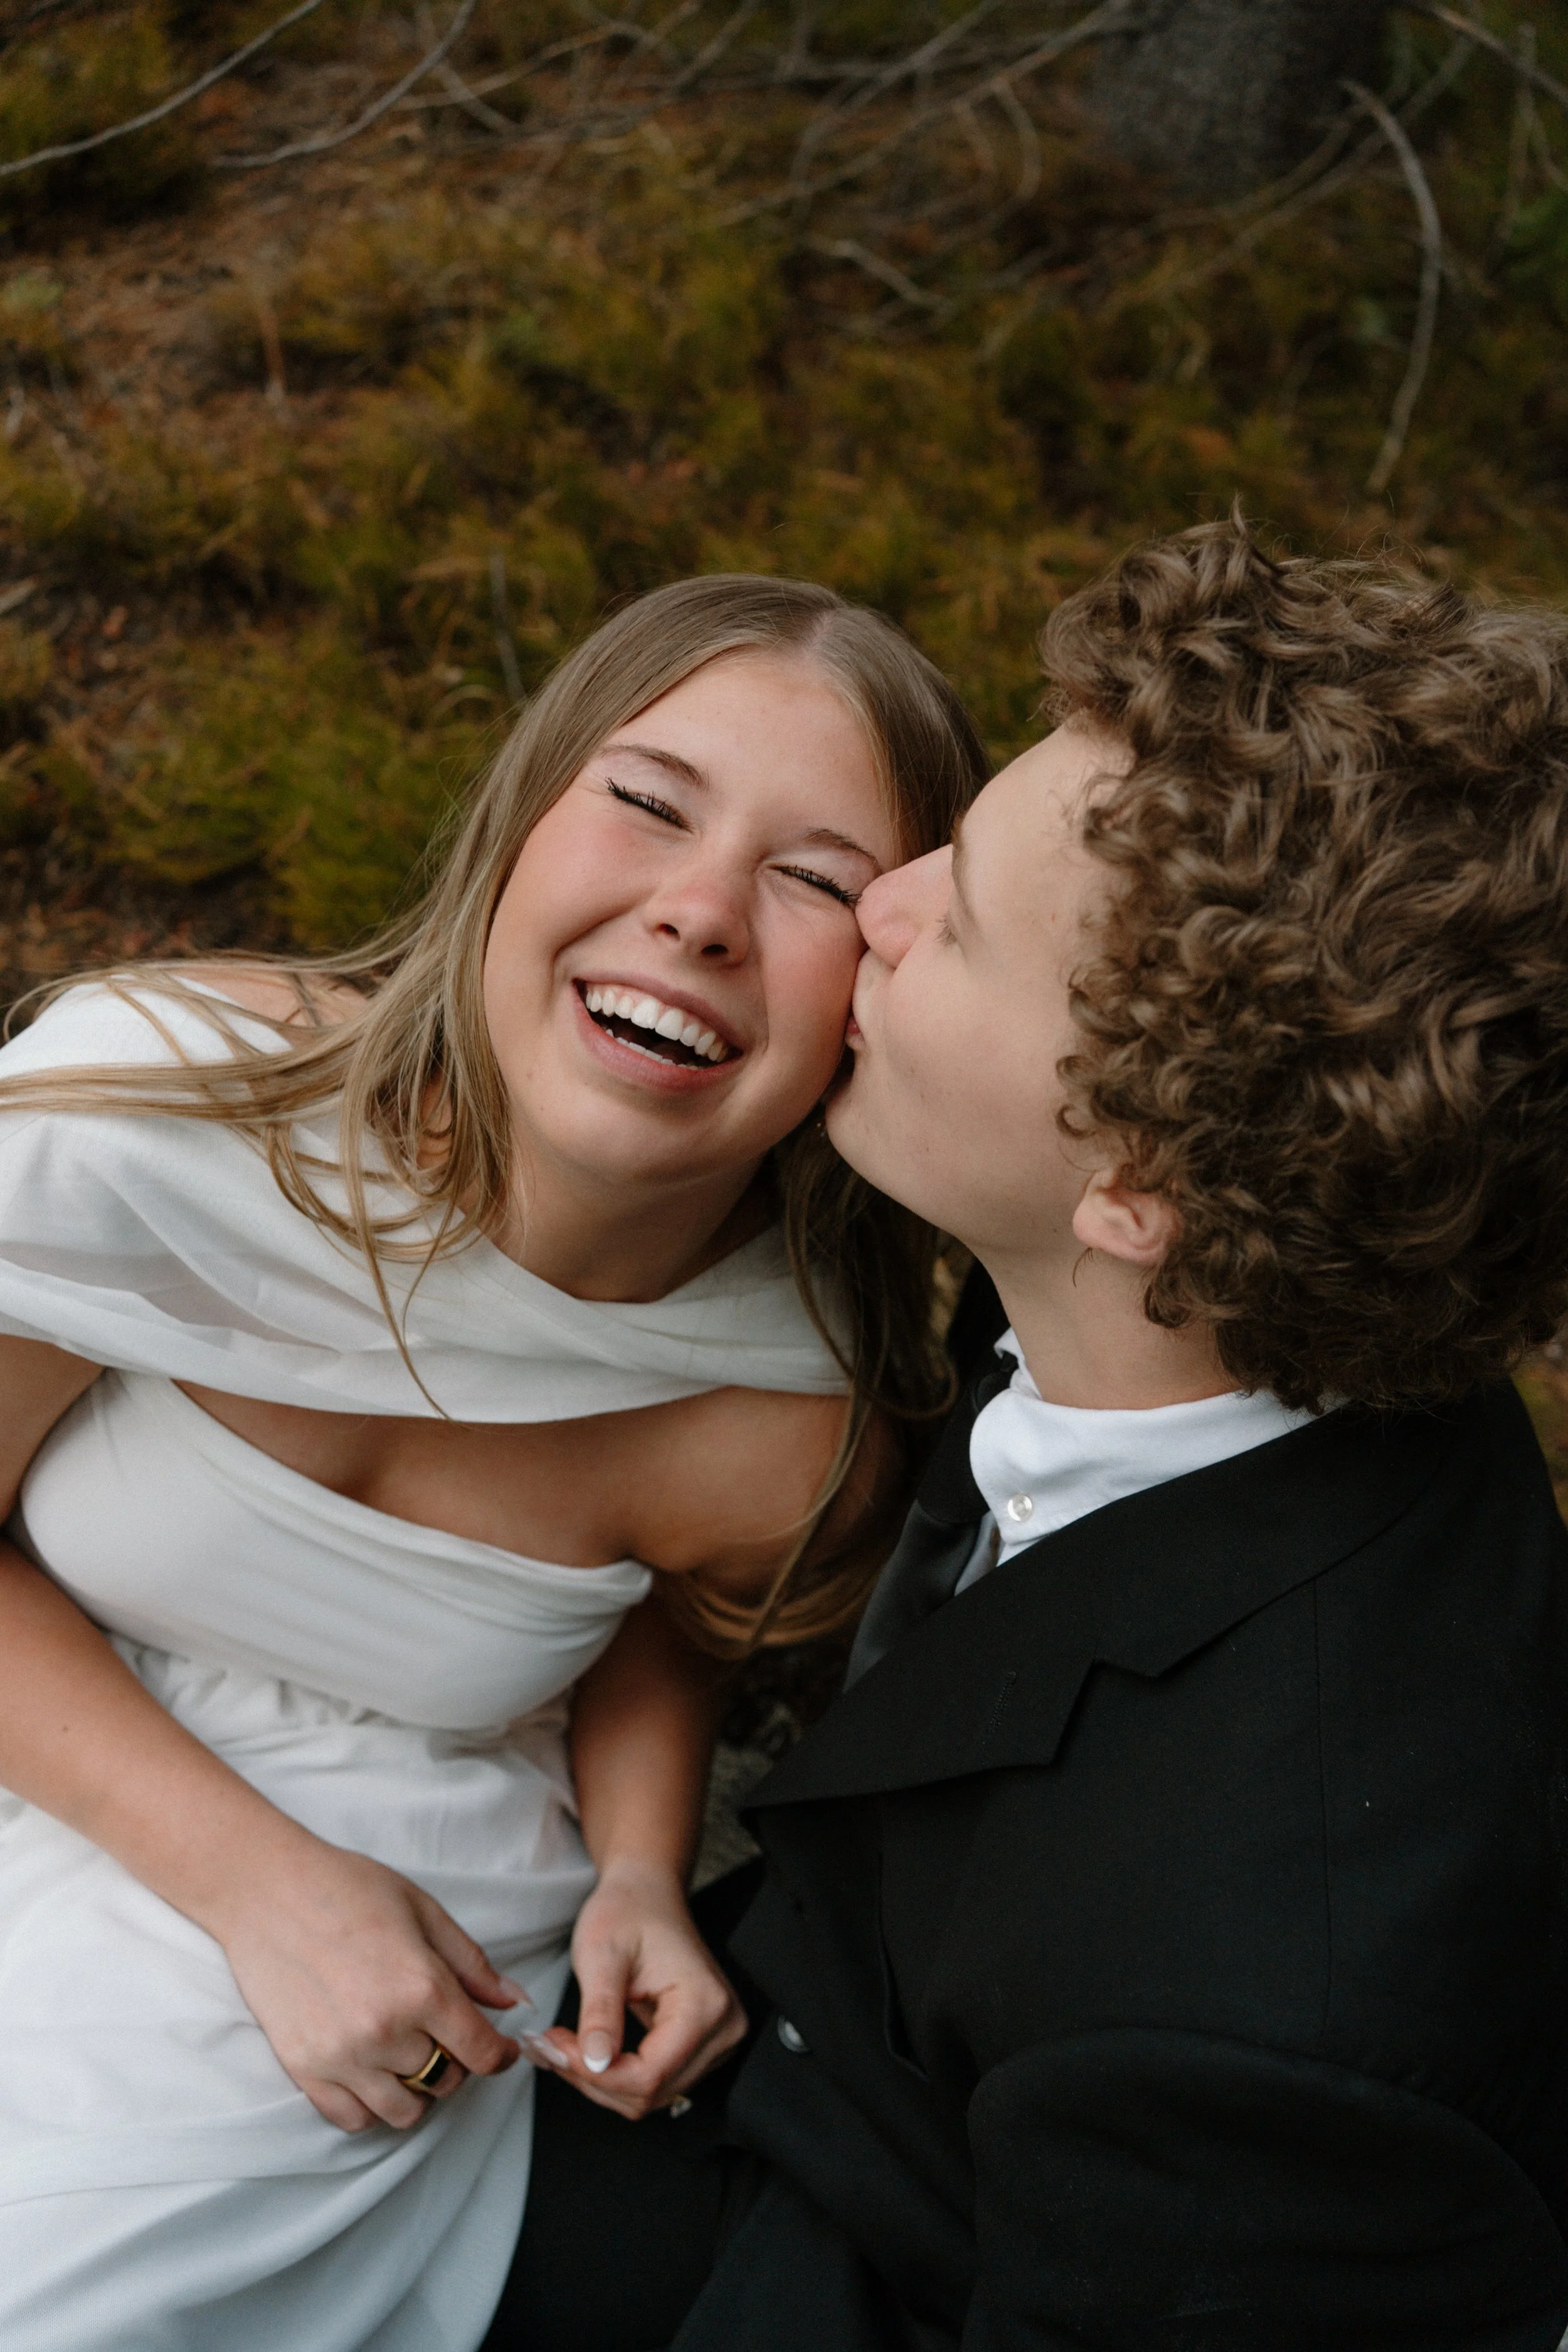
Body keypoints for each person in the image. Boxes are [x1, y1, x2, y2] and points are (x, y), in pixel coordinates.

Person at [497, 516, 1568, 2352]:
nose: (878, 903)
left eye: (955, 922)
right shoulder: (1231, 1281)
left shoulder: (1269, 2024)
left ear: (1134, 1186)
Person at [0, 573, 987, 2351]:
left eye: (816, 879)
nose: (695, 912)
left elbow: (659, 1628)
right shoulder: (138, 1128)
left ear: (886, 982)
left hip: (422, 1886)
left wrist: (636, 1870)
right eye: (649, 801)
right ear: (519, 820)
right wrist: (260, 1882)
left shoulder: (792, 1417)